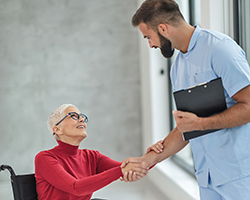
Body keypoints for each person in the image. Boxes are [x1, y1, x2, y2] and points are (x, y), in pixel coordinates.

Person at [121, 0, 250, 199]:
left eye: (149, 37)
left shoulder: (220, 49)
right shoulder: (178, 67)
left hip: (240, 177)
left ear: (163, 28)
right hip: (207, 178)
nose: (150, 44)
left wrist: (201, 123)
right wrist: (145, 161)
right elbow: (186, 128)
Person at [35, 104, 149, 200]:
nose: (82, 119)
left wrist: (158, 151)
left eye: (82, 116)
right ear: (57, 129)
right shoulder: (44, 158)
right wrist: (121, 171)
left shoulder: (92, 156)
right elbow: (76, 188)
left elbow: (133, 168)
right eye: (73, 116)